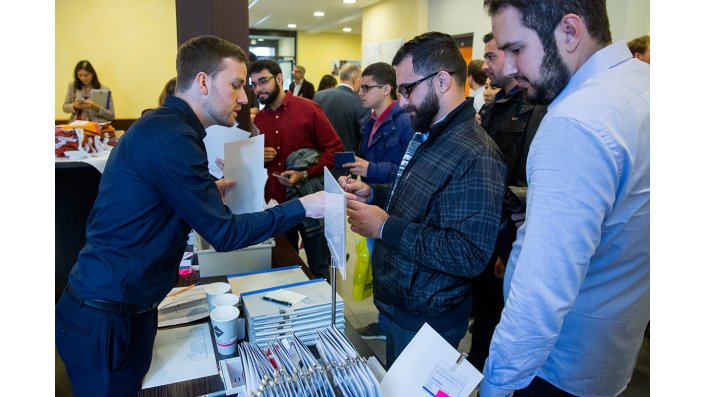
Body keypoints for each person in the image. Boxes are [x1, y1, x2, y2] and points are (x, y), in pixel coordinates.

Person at [55, 36, 327, 397]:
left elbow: (153, 195)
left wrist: (205, 192)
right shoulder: (173, 137)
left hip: (121, 307)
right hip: (107, 316)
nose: (244, 97)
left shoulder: (166, 127)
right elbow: (225, 235)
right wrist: (303, 207)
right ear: (202, 82)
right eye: (235, 85)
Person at [479, 1, 650, 396]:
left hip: (553, 366)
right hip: (610, 353)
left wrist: (496, 386)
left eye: (517, 49)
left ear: (570, 32)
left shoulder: (576, 121)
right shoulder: (645, 83)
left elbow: (540, 296)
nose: (508, 68)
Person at [340, 32, 506, 368]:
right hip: (399, 303)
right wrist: (375, 194)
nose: (401, 101)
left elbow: (469, 253)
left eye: (407, 89)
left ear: (442, 80)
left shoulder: (477, 153)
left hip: (428, 316)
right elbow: (419, 203)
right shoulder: (428, 134)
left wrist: (385, 227)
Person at [465, 30, 548, 373]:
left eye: (490, 57)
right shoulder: (492, 104)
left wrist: (507, 248)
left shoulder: (536, 108)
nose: (484, 66)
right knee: (482, 315)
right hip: (484, 229)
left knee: (495, 320)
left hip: (507, 235)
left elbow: (524, 184)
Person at [250, 59, 344, 280]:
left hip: (310, 200)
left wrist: (304, 173)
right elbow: (251, 164)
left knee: (319, 267)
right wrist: (257, 156)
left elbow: (335, 149)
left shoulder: (308, 109)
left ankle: (323, 312)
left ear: (279, 79)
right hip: (277, 204)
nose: (258, 89)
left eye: (263, 81)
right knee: (286, 267)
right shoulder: (258, 120)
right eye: (253, 84)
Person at [346, 62, 415, 341]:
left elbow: (410, 168)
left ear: (387, 89)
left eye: (366, 87)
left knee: (389, 268)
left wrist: (370, 170)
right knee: (378, 264)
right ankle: (383, 320)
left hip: (393, 207)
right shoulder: (368, 121)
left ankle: (390, 325)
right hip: (373, 199)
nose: (360, 92)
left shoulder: (404, 121)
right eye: (359, 86)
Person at [313, 63, 368, 155]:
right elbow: (365, 135)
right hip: (348, 159)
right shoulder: (360, 101)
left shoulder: (318, 96)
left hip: (321, 157)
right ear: (355, 79)